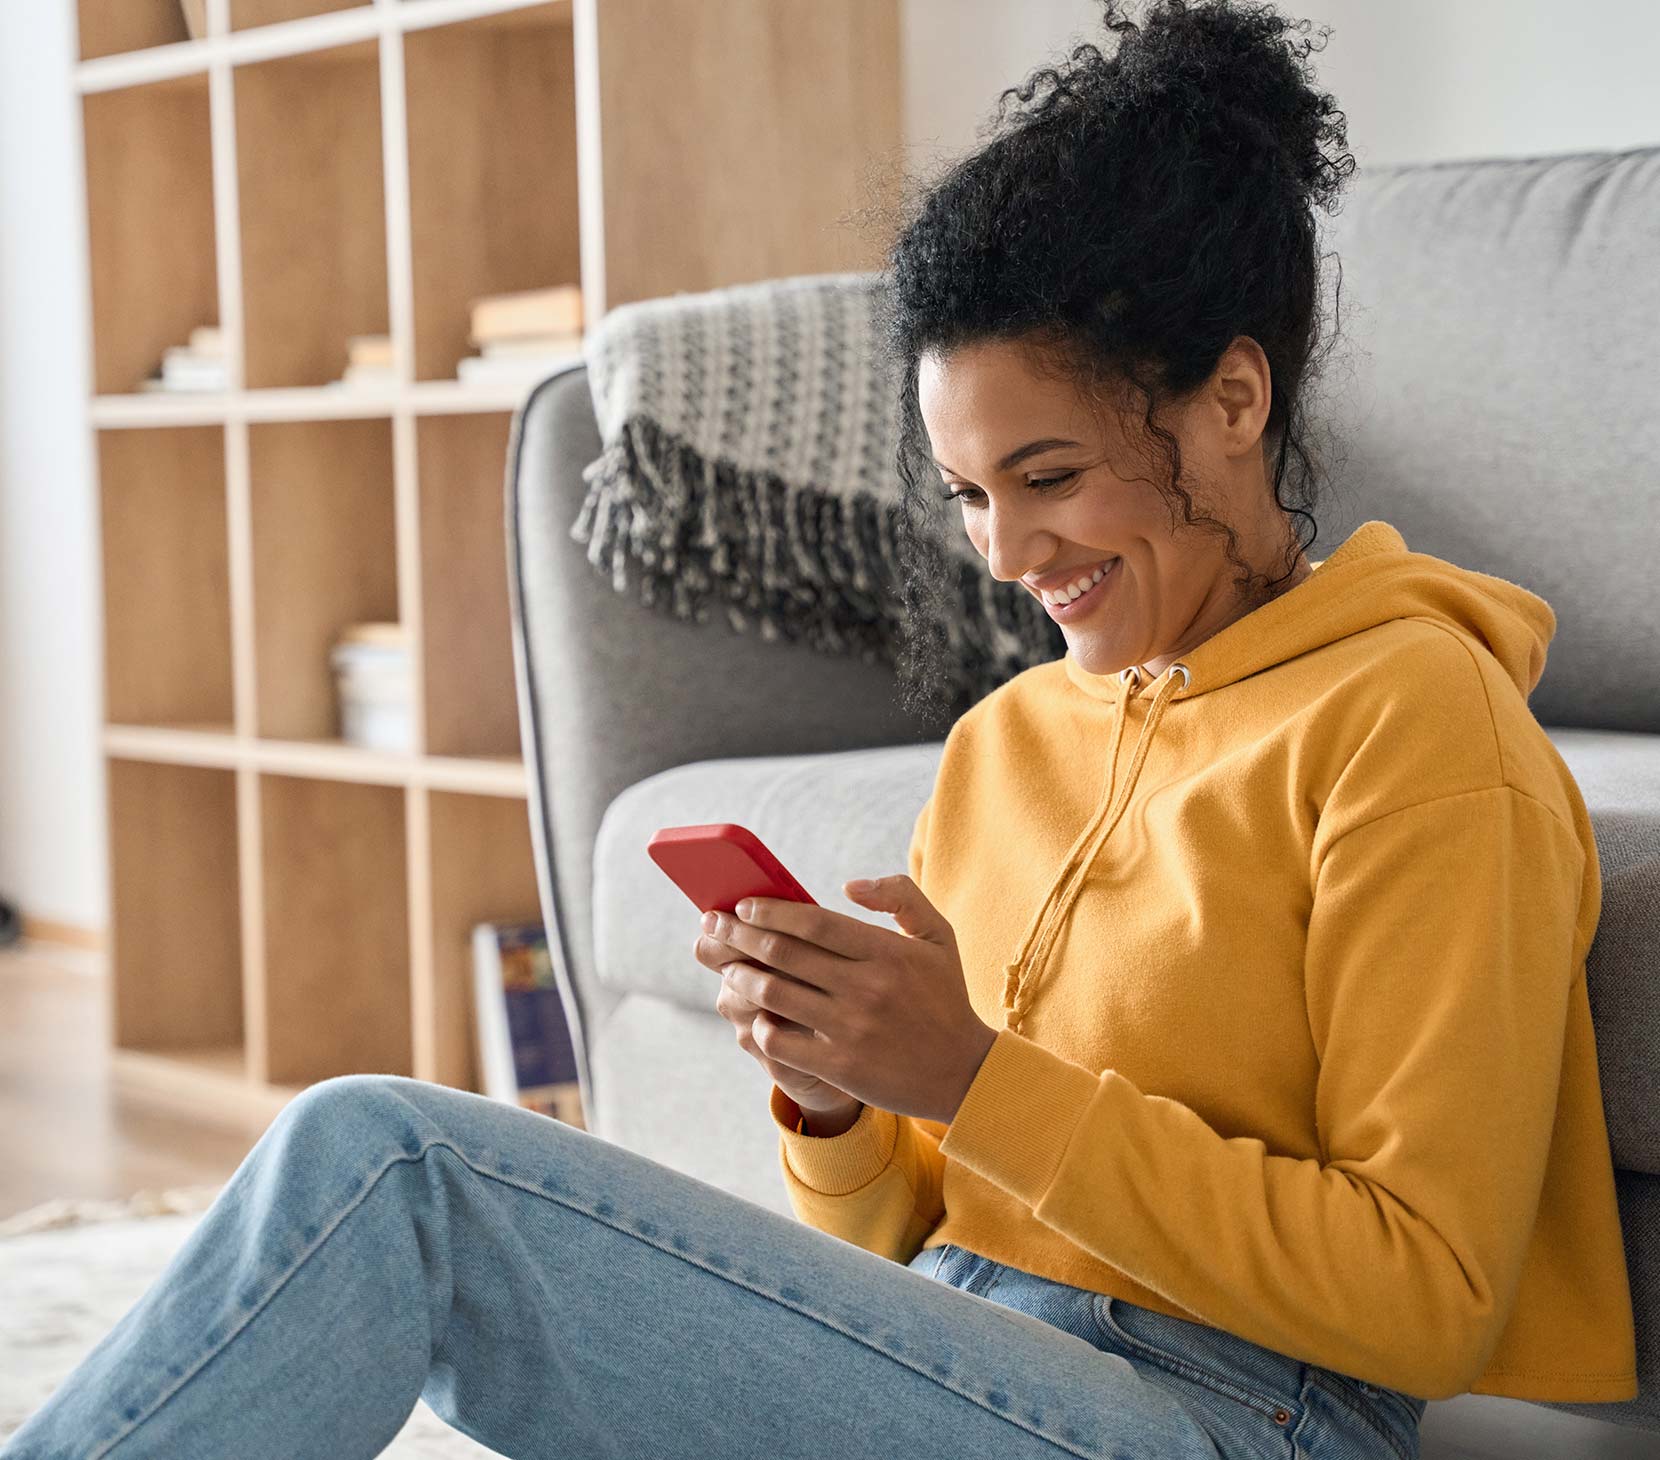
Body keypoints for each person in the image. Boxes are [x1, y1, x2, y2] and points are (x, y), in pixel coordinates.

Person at [4, 1, 1635, 1457]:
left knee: (397, 1170)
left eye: (1050, 476)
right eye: (970, 495)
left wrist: (981, 1079)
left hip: (1234, 1411)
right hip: (980, 1356)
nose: (1004, 555)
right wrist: (842, 1100)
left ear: (1233, 397)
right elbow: (898, 1248)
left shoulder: (1415, 731)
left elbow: (1431, 1297)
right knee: (391, 1193)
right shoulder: (1007, 748)